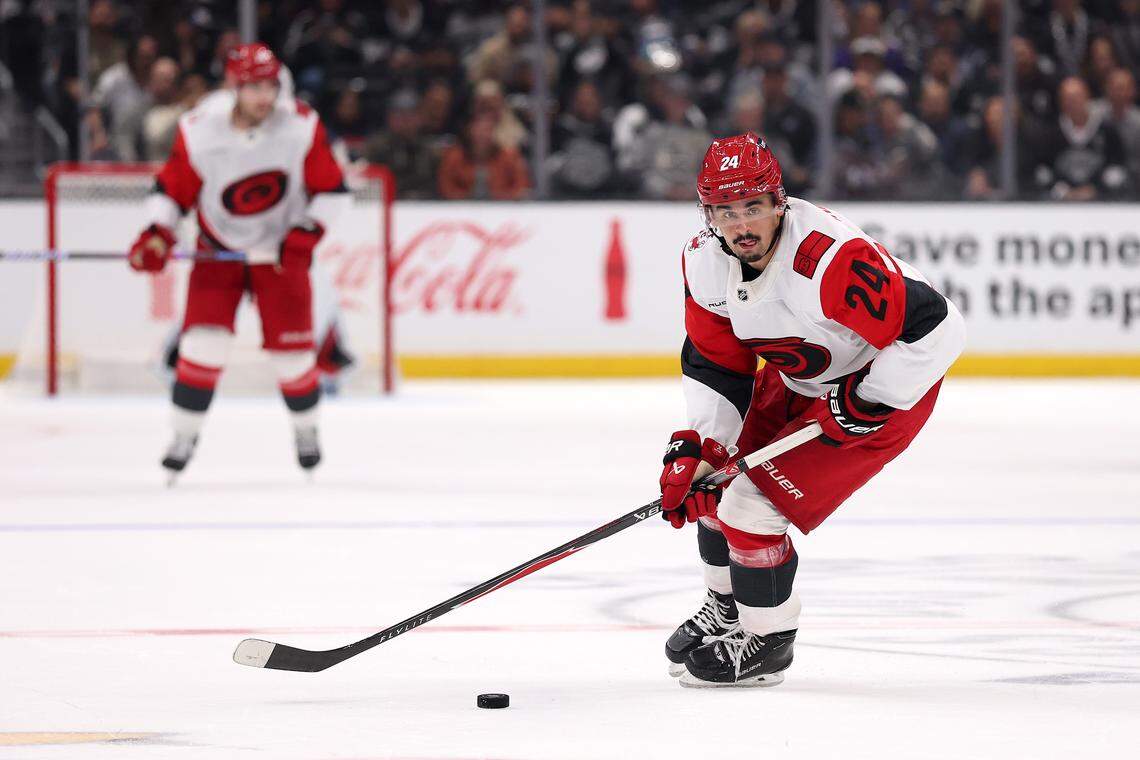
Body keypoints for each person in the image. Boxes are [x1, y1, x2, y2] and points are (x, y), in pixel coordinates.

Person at [660, 132, 965, 687]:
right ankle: (728, 608)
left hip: (884, 392)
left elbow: (938, 329)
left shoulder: (827, 260)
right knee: (714, 483)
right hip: (798, 376)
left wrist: (869, 398)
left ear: (779, 202)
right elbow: (715, 361)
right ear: (708, 215)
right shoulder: (703, 259)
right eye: (726, 211)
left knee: (750, 508)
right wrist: (706, 446)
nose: (741, 225)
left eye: (752, 206)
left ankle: (768, 642)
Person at [127, 43, 349, 479]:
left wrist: (304, 236)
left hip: (279, 254)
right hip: (218, 248)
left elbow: (333, 192)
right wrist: (157, 233)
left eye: (270, 86)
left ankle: (306, 429)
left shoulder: (301, 126)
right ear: (234, 86)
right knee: (201, 347)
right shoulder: (199, 129)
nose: (264, 97)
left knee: (293, 359)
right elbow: (172, 189)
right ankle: (184, 435)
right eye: (253, 87)